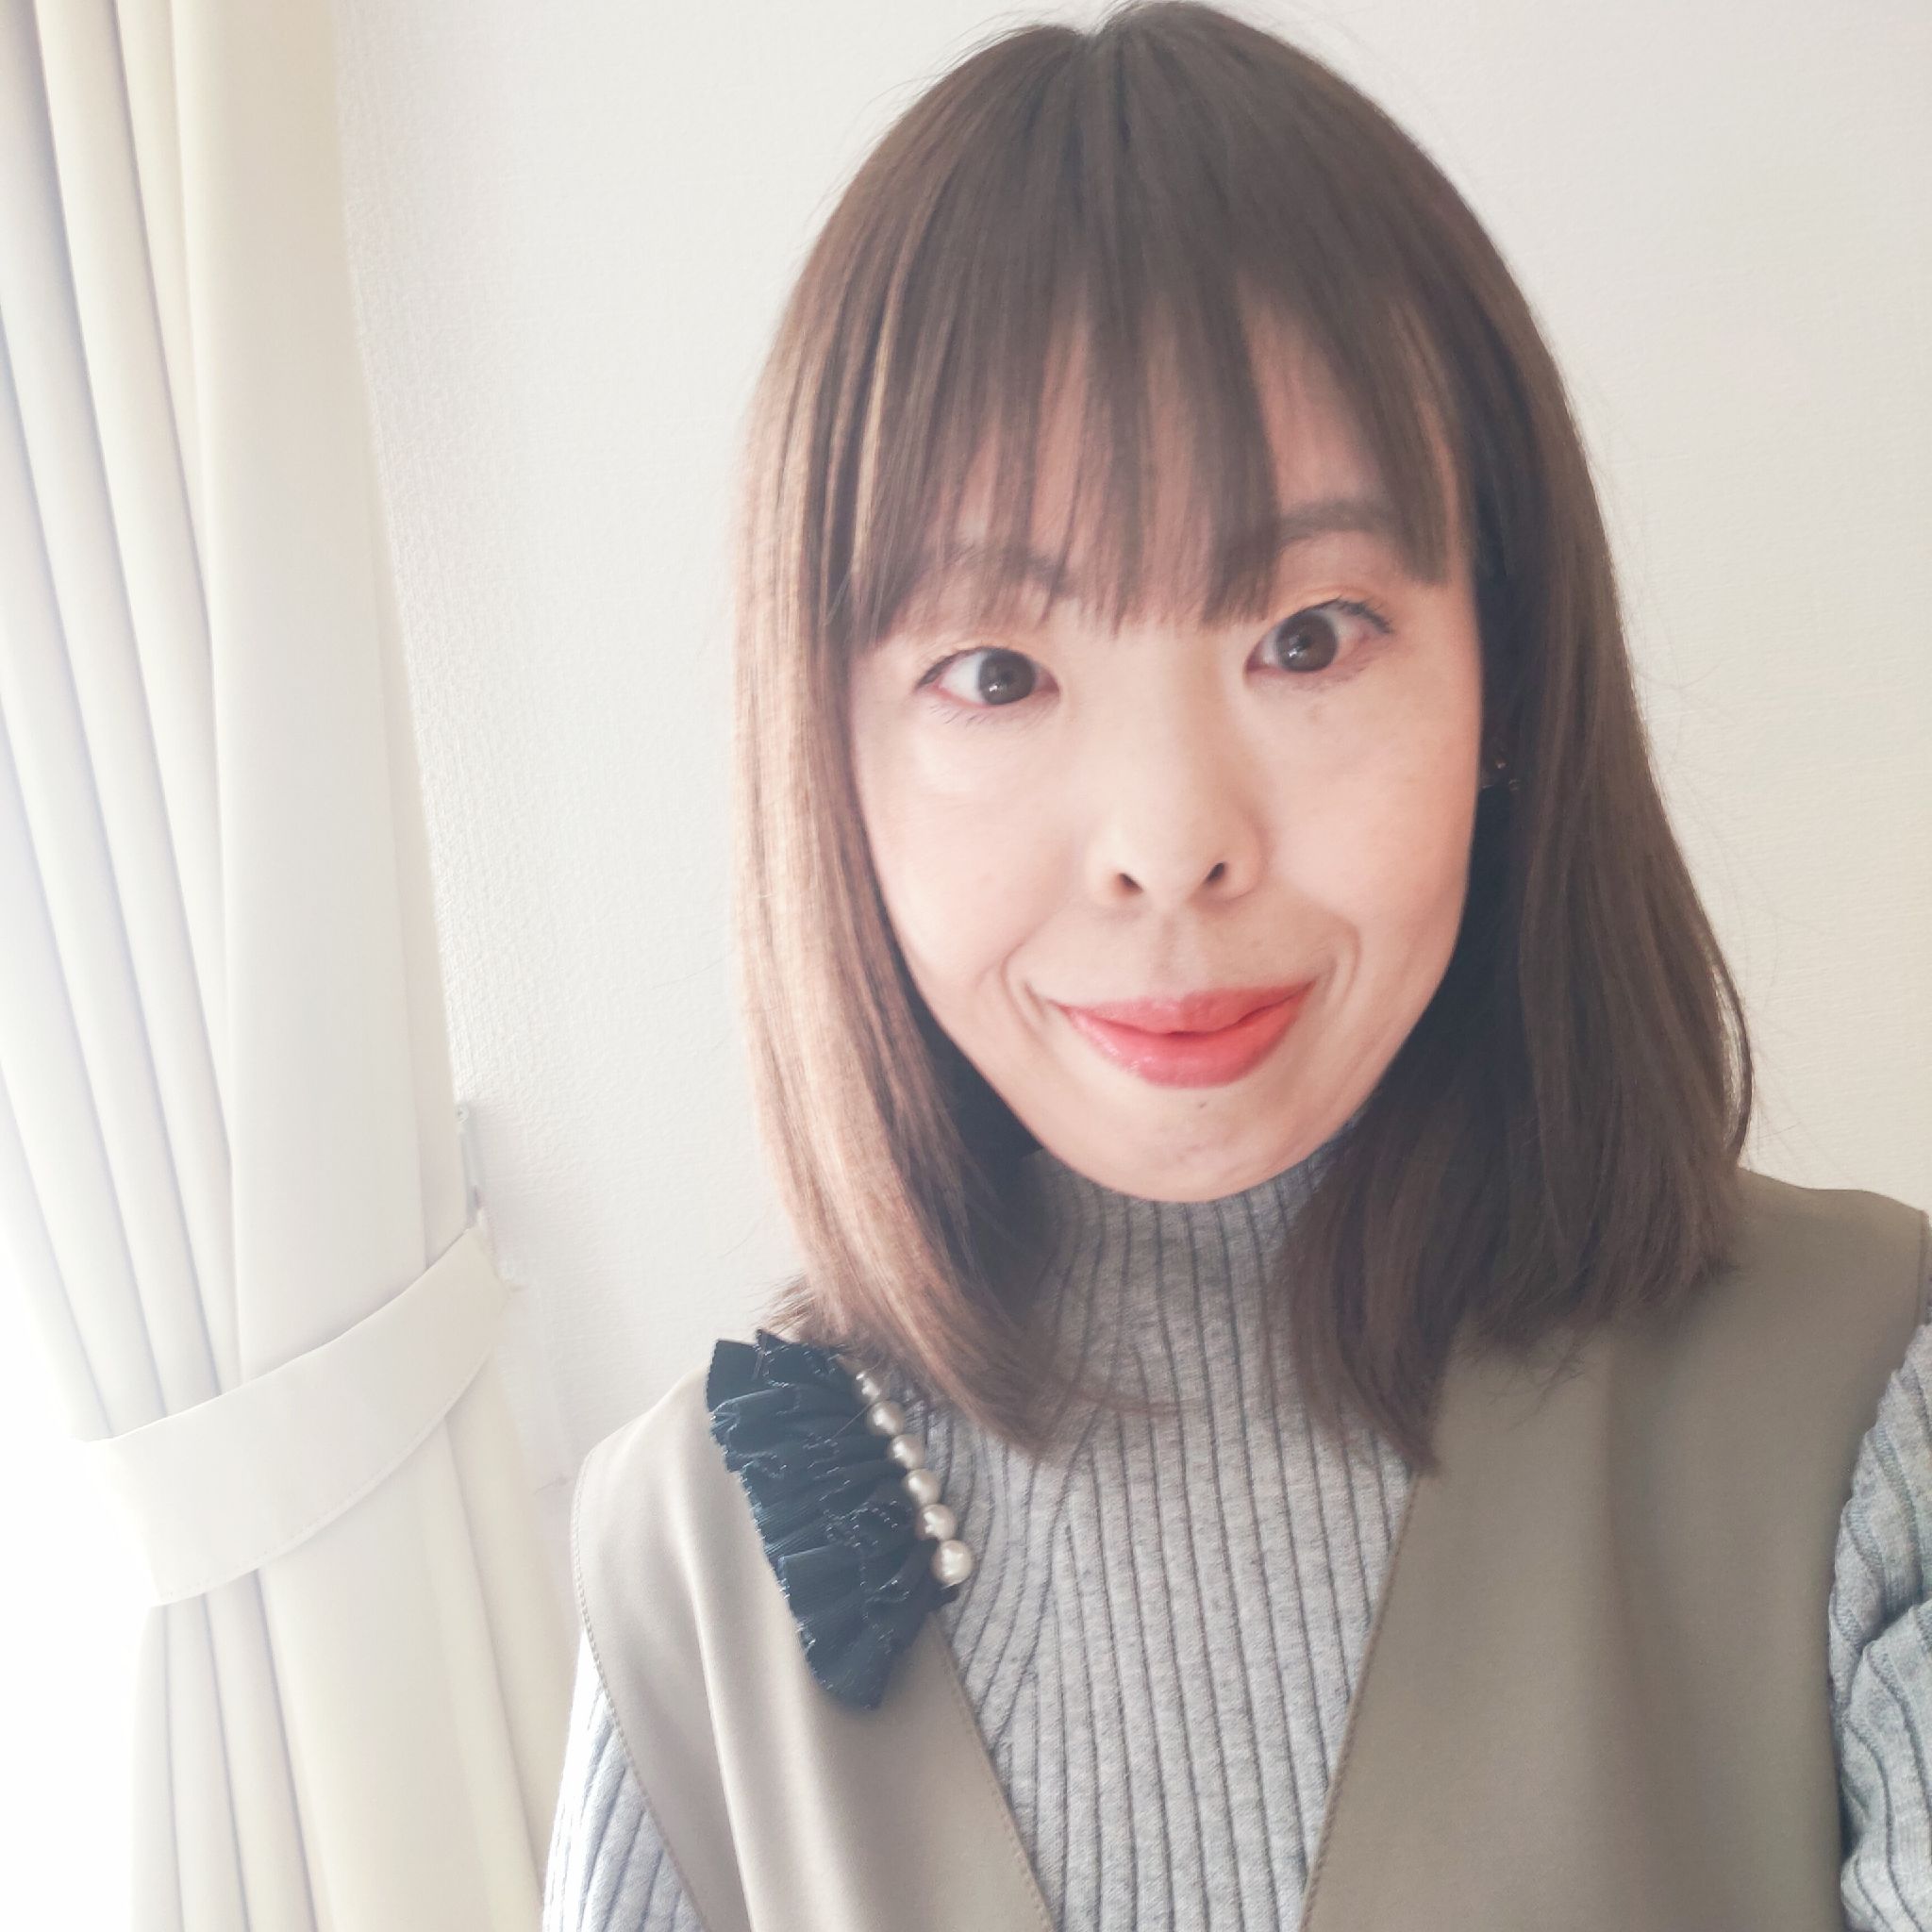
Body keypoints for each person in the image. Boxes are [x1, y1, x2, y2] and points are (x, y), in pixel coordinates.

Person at [543, 5, 1932, 1927]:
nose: (1170, 838)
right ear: (828, 762)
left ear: (1507, 676)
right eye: (997, 671)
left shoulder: (1859, 1404)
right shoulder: (692, 1556)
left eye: (1308, 637)